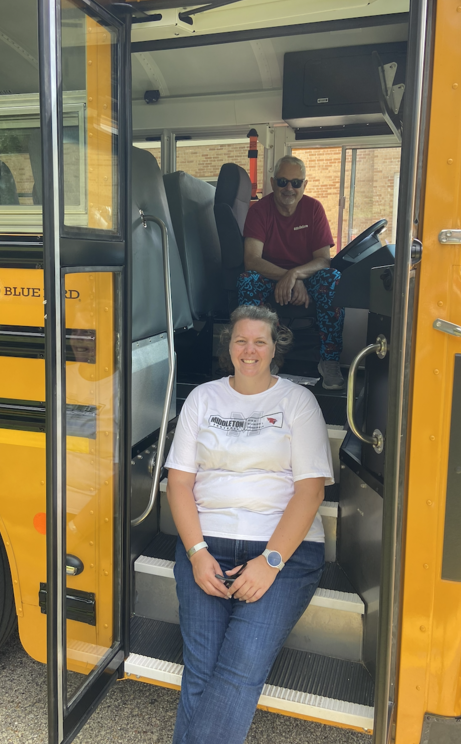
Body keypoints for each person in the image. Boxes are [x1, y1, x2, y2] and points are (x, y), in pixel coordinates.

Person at [165, 304, 333, 744]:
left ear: (276, 346)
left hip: (282, 551)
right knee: (201, 666)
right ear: (229, 346)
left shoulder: (298, 401)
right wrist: (197, 554)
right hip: (207, 546)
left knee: (240, 666)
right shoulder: (203, 398)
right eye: (241, 340)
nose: (250, 349)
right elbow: (179, 484)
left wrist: (270, 561)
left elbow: (310, 491)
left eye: (260, 340)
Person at [238, 155, 345, 390]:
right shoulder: (259, 212)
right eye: (283, 181)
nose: (289, 188)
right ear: (273, 182)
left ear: (304, 185)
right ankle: (264, 360)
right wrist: (287, 277)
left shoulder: (314, 209)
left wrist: (294, 275)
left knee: (333, 279)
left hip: (307, 278)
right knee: (248, 281)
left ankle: (329, 360)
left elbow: (323, 261)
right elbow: (252, 260)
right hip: (270, 277)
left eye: (296, 183)